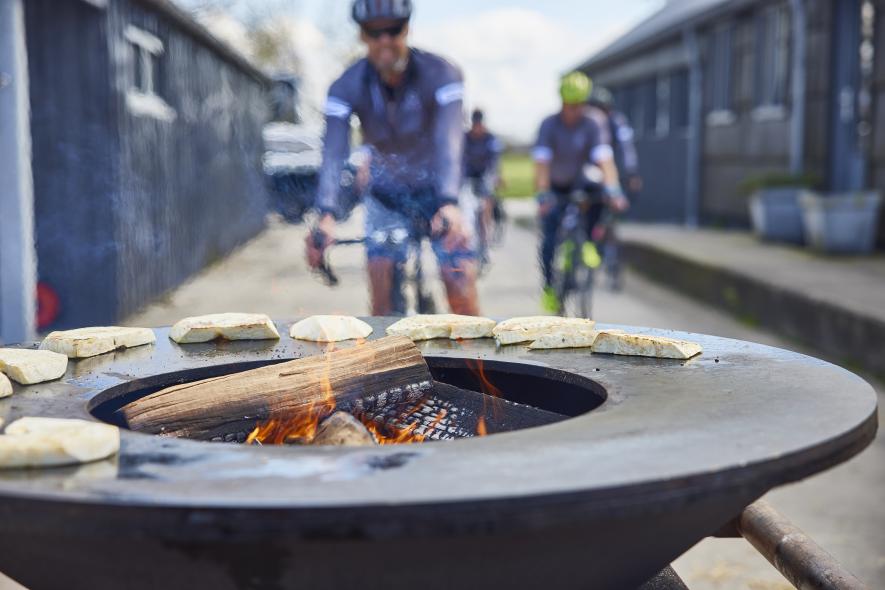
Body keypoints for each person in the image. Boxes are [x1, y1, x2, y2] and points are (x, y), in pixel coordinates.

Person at [306, 0, 479, 316]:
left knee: (459, 285)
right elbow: (333, 151)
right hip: (387, 195)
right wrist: (326, 214)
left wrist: (449, 201)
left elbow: (449, 141)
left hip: (439, 189)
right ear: (362, 35)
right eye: (374, 32)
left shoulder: (440, 72)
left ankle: (476, 363)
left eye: (393, 29)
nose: (384, 40)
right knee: (381, 288)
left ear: (407, 28)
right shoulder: (347, 85)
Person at [533, 72, 628, 313]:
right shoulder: (549, 124)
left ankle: (588, 242)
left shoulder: (594, 121)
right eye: (568, 105)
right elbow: (542, 164)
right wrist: (543, 194)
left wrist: (614, 190)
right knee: (549, 240)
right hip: (556, 184)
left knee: (600, 195)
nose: (573, 111)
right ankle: (549, 288)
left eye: (578, 105)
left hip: (583, 182)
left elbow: (604, 159)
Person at [463, 109, 504, 264]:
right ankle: (468, 243)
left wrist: (496, 177)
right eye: (475, 124)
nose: (477, 127)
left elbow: (495, 161)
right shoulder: (465, 138)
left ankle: (485, 246)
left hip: (485, 176)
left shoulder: (491, 138)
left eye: (479, 124)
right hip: (468, 176)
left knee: (486, 207)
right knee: (465, 205)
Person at [587, 85, 642, 198]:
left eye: (603, 109)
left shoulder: (617, 122)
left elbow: (626, 148)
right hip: (587, 174)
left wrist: (631, 173)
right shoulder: (585, 124)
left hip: (614, 171)